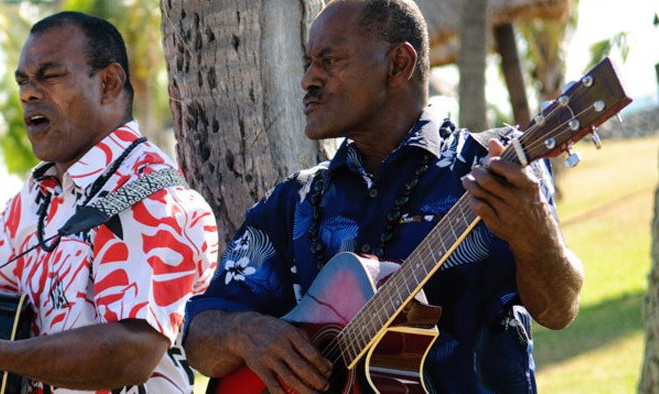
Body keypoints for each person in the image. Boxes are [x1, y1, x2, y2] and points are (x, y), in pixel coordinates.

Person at [182, 0, 584, 393]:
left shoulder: (494, 166)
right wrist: (247, 331)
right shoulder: (294, 202)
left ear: (398, 65)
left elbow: (558, 310)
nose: (308, 80)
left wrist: (536, 233)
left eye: (329, 60)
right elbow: (199, 334)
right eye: (308, 63)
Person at [0, 11, 220, 394]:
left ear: (109, 83)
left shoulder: (154, 195)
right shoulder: (31, 198)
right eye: (23, 81)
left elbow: (134, 352)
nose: (29, 93)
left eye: (50, 76)